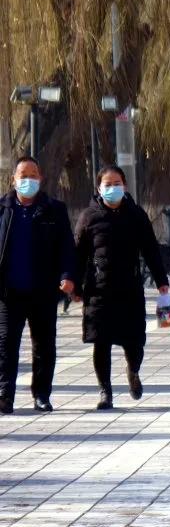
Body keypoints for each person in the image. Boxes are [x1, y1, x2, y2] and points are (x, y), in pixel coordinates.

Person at [74, 165, 169, 410]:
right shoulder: (89, 217)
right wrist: (73, 283)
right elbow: (78, 254)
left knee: (135, 341)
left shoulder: (136, 215)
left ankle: (133, 370)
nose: (112, 188)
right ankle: (105, 391)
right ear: (98, 188)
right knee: (101, 342)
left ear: (124, 186)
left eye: (117, 183)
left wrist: (162, 281)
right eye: (107, 184)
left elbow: (150, 249)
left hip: (130, 290)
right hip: (99, 291)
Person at [0, 157, 75, 414]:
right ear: (14, 179)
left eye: (33, 175)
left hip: (43, 290)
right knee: (6, 345)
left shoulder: (54, 210)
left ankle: (41, 395)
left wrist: (67, 275)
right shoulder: (3, 209)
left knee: (44, 345)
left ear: (41, 179)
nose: (28, 180)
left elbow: (66, 246)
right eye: (23, 175)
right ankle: (4, 395)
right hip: (9, 292)